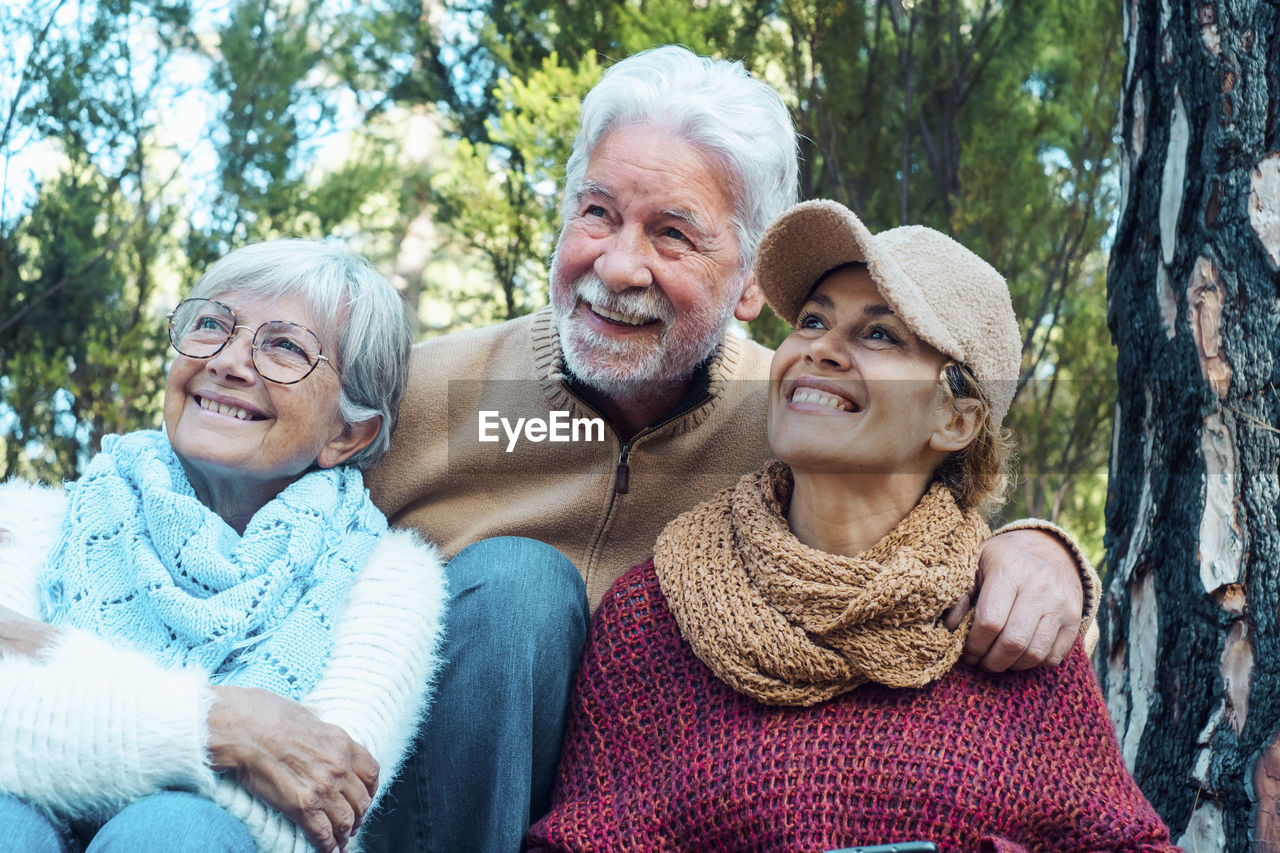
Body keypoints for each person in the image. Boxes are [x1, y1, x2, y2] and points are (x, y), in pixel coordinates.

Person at [361, 46, 1101, 853]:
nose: (616, 264)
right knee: (516, 588)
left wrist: (1046, 552)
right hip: (425, 807)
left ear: (750, 283)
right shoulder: (425, 389)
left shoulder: (797, 421)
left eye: (672, 234)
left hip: (608, 798)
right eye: (597, 212)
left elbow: (933, 534)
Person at [524, 199, 1176, 852]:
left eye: (879, 334)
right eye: (812, 320)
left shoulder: (1011, 617)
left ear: (955, 419)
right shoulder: (656, 615)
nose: (821, 350)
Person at [0, 240, 448, 853]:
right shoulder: (26, 522)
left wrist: (42, 652)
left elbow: (310, 816)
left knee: (176, 831)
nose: (229, 362)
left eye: (285, 346)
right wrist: (221, 725)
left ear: (347, 432)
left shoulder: (389, 579)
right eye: (211, 325)